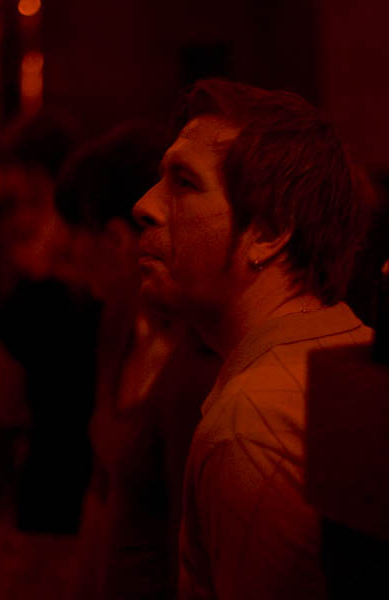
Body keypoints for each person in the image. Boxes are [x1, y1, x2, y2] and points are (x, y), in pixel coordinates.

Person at [132, 78, 374, 599]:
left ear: (268, 232)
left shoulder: (250, 427)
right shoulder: (357, 351)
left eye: (184, 183)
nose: (144, 205)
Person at [54, 122, 221, 600]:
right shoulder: (118, 320)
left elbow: (187, 551)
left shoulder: (201, 361)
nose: (67, 255)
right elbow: (102, 489)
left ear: (115, 239)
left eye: (75, 235)